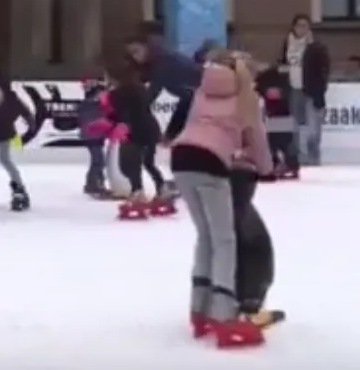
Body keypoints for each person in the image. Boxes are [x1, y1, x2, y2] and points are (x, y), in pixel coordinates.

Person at [165, 52, 273, 348]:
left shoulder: (203, 91)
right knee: (225, 240)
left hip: (181, 158)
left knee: (206, 236)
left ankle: (198, 309)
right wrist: (266, 168)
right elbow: (257, 138)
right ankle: (223, 314)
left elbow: (191, 124)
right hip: (211, 163)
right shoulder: (245, 98)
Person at [108, 64, 169, 218]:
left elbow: (121, 113)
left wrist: (118, 123)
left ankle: (138, 192)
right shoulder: (141, 89)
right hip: (150, 129)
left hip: (133, 130)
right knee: (148, 163)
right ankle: (162, 188)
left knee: (128, 164)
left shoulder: (117, 94)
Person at [229, 165, 283, 331]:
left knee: (222, 240)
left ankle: (216, 301)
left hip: (200, 171)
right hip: (235, 170)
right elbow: (261, 155)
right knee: (255, 244)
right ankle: (248, 305)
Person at [0, 64, 34, 212]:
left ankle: (19, 188)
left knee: (3, 159)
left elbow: (20, 110)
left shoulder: (4, 96)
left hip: (1, 133)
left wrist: (29, 120)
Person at [277, 15, 330, 166]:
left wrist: (321, 87)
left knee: (313, 125)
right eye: (299, 25)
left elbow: (324, 69)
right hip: (294, 89)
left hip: (312, 90)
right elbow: (282, 63)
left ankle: (313, 155)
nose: (302, 29)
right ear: (293, 27)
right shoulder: (288, 43)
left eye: (305, 25)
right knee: (297, 124)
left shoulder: (316, 46)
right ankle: (299, 156)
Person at [254, 61, 299, 179]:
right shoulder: (282, 83)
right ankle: (288, 164)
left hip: (276, 114)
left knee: (275, 141)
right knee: (281, 141)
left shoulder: (263, 81)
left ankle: (280, 163)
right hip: (278, 114)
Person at [78, 72, 114, 198]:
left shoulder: (96, 103)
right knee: (98, 160)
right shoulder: (90, 104)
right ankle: (94, 184)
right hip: (91, 136)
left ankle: (95, 183)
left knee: (98, 160)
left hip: (95, 135)